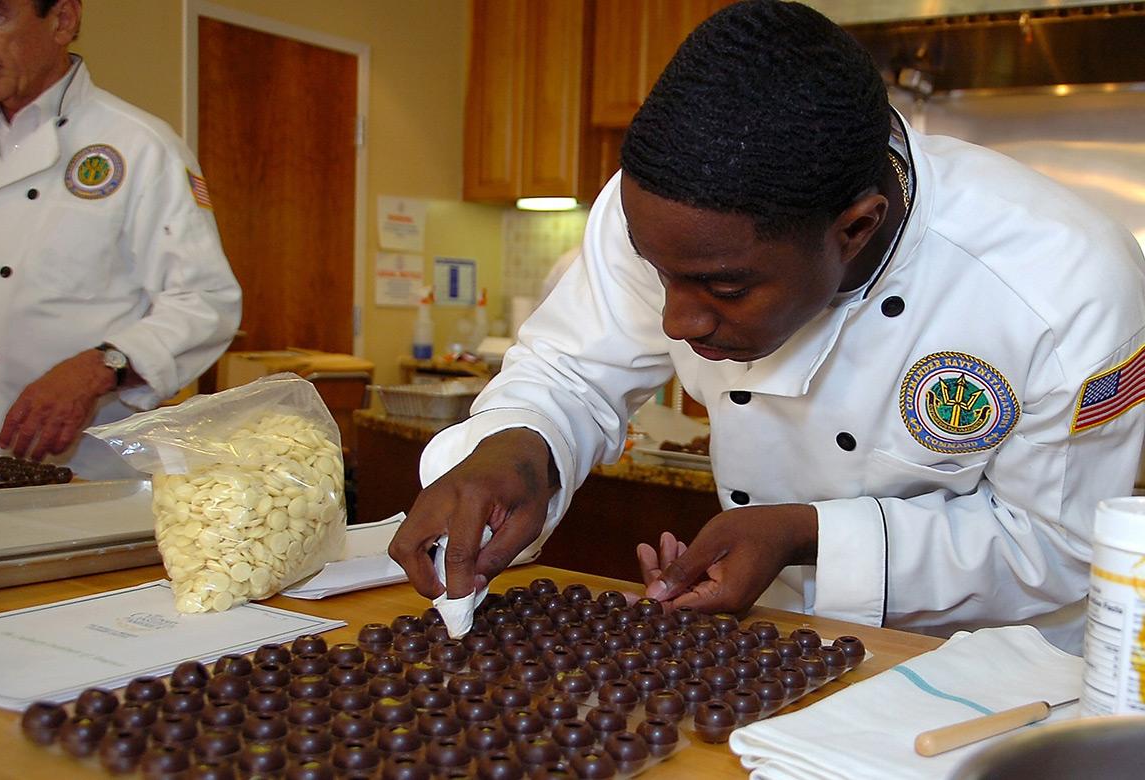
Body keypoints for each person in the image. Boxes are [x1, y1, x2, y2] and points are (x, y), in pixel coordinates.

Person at [389, 0, 1145, 652]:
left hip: (986, 675)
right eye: (660, 274)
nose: (677, 321)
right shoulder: (671, 212)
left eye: (723, 287)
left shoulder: (1065, 288)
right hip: (771, 636)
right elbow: (572, 370)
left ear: (854, 229)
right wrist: (519, 446)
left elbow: (1051, 544)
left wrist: (804, 533)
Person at [0, 0, 242, 479]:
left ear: (62, 20)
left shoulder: (141, 145)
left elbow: (205, 302)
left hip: (83, 471)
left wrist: (104, 365)